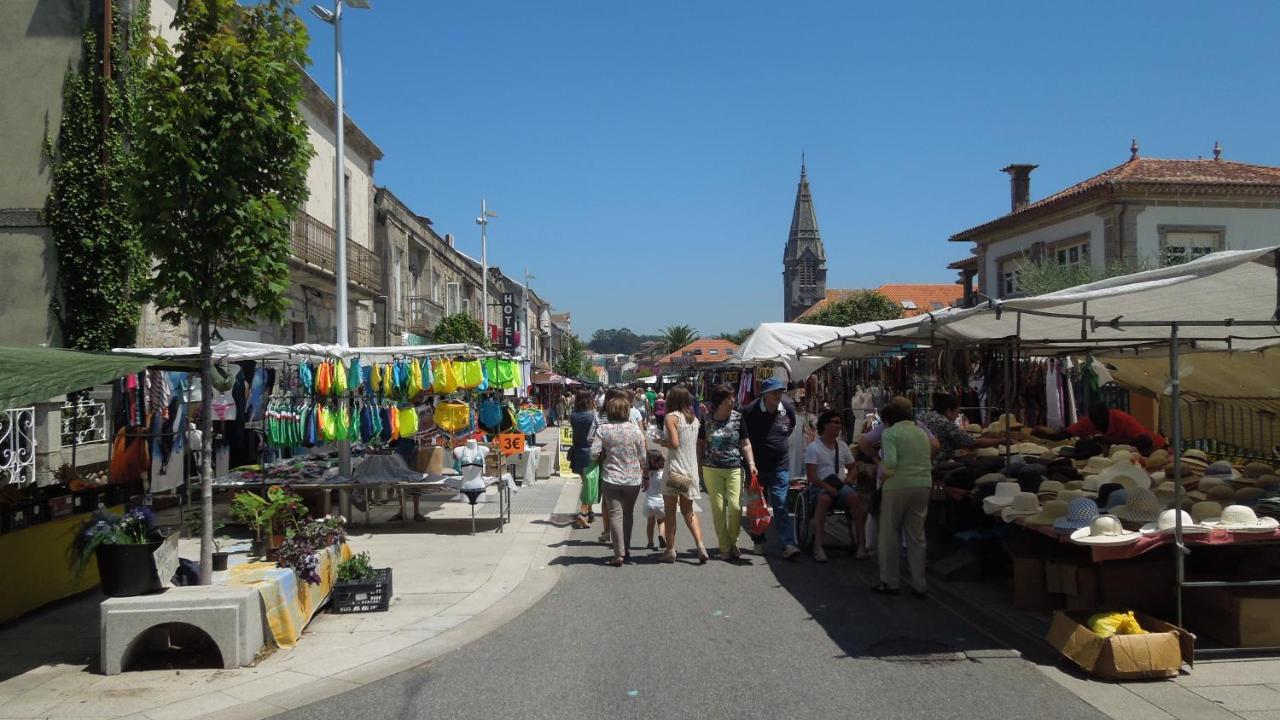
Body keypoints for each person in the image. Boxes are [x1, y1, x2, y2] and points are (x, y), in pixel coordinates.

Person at [874, 396, 935, 597]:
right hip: (923, 484)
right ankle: (920, 584)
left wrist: (881, 473)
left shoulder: (891, 434)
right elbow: (933, 451)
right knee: (917, 536)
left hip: (897, 486)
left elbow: (890, 463)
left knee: (889, 534)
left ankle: (890, 581)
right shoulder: (921, 432)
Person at [741, 376, 800, 559]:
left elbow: (791, 426)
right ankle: (759, 539)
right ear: (765, 395)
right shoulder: (750, 411)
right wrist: (749, 463)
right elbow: (744, 437)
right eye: (774, 392)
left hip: (780, 465)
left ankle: (788, 544)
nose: (778, 395)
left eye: (780, 391)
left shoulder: (787, 408)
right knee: (757, 506)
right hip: (756, 467)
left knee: (781, 505)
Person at [698, 383, 755, 561]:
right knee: (718, 508)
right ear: (721, 401)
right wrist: (697, 465)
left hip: (734, 467)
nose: (733, 399)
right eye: (730, 397)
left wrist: (751, 463)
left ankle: (733, 541)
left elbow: (745, 443)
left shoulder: (738, 418)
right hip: (711, 468)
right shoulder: (706, 419)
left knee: (736, 507)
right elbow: (700, 444)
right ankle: (724, 547)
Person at [591, 396, 648, 566]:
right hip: (633, 478)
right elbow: (643, 457)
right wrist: (646, 475)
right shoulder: (635, 430)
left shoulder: (603, 429)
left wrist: (604, 454)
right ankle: (627, 548)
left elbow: (593, 454)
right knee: (628, 513)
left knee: (615, 514)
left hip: (611, 477)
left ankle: (618, 554)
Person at [657, 384, 709, 563]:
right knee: (689, 511)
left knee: (670, 512)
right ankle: (701, 545)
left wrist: (661, 442)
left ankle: (670, 550)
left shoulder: (671, 417)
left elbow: (674, 443)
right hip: (690, 470)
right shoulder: (694, 419)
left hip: (676, 470)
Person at [804, 410, 864, 563]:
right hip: (820, 485)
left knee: (854, 497)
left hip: (839, 484)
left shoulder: (842, 446)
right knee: (824, 499)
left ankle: (861, 544)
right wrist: (827, 487)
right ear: (825, 425)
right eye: (836, 422)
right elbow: (811, 476)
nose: (839, 426)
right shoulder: (813, 448)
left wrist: (849, 480)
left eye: (840, 423)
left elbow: (852, 468)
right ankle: (818, 545)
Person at [1041, 401, 1166, 453]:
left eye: (1101, 420)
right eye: (1095, 420)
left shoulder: (1121, 419)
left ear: (1107, 414)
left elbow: (1145, 441)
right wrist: (1041, 434)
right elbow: (1063, 435)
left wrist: (1113, 441)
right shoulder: (1090, 421)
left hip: (1156, 449)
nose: (1098, 423)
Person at [918, 393, 1000, 462]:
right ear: (949, 411)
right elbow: (973, 442)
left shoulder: (922, 417)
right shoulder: (945, 423)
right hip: (936, 464)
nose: (957, 415)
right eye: (957, 412)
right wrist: (1000, 441)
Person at [568, 389, 600, 529]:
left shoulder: (573, 415)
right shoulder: (592, 416)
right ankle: (582, 513)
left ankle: (590, 511)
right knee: (590, 484)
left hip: (578, 451)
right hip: (590, 452)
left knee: (586, 483)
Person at [787, 381, 817, 481]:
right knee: (794, 453)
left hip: (795, 426)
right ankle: (794, 474)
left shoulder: (789, 399)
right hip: (795, 426)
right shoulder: (791, 400)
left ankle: (793, 475)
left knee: (794, 453)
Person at [644, 450, 666, 549]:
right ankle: (661, 534)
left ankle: (650, 542)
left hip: (649, 503)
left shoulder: (646, 474)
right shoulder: (662, 474)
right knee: (661, 522)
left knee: (650, 524)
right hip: (660, 503)